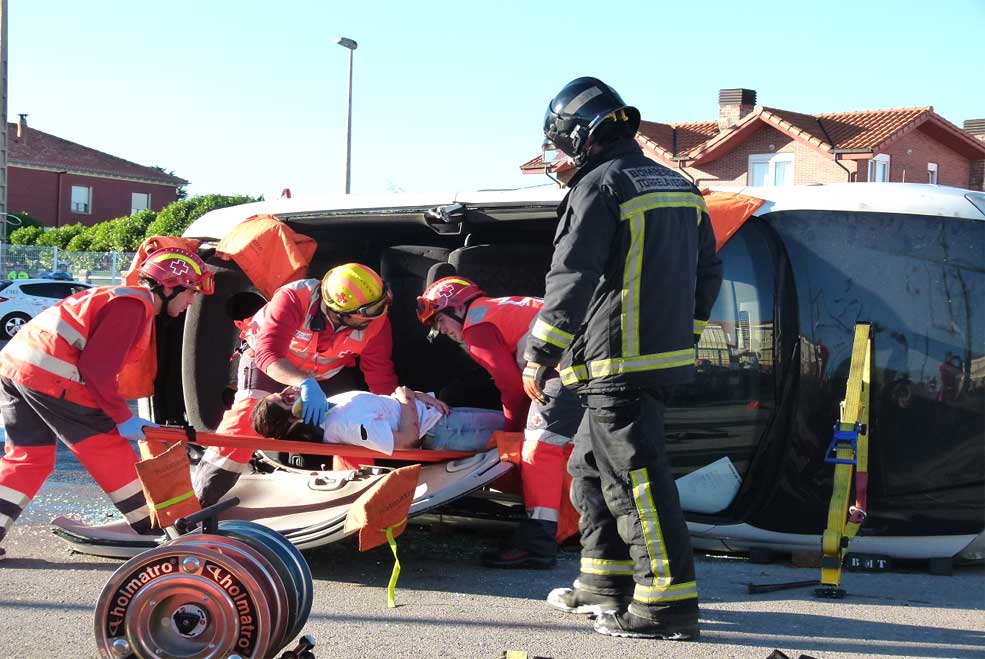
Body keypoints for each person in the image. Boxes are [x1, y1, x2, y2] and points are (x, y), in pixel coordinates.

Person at [523, 77, 723, 640]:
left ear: (579, 137)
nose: (559, 157)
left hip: (616, 365)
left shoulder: (599, 186)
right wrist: (680, 333)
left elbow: (572, 277)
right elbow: (709, 274)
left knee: (636, 483)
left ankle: (666, 607)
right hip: (645, 363)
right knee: (588, 468)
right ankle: (603, 581)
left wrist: (539, 354)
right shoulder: (678, 184)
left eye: (560, 145)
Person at [0, 248, 215, 560]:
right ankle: (155, 529)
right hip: (50, 376)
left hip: (16, 368)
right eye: (190, 292)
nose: (191, 302)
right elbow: (97, 369)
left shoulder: (119, 298)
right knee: (107, 447)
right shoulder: (133, 305)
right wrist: (122, 418)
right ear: (168, 286)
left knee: (28, 458)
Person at [194, 263, 399, 506]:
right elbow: (267, 354)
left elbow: (379, 372)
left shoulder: (376, 320)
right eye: (367, 314)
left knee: (351, 422)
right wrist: (304, 382)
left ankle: (352, 499)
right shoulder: (293, 298)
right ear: (337, 312)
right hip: (271, 365)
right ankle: (200, 500)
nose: (376, 317)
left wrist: (392, 410)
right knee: (246, 418)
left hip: (323, 375)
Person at [417, 277, 584, 568]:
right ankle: (577, 525)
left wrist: (509, 434)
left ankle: (539, 542)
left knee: (538, 448)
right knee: (573, 448)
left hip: (568, 366)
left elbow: (512, 388)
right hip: (593, 359)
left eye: (440, 321)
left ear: (456, 308)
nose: (441, 330)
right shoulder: (497, 310)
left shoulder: (476, 328)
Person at [251, 385, 505, 454]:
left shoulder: (334, 408)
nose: (291, 391)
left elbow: (389, 406)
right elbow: (406, 442)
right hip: (444, 431)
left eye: (283, 390)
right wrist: (407, 399)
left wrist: (414, 395)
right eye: (285, 398)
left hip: (443, 420)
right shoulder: (344, 424)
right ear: (292, 420)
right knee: (517, 435)